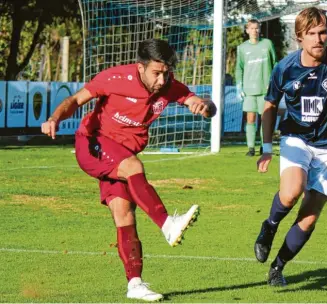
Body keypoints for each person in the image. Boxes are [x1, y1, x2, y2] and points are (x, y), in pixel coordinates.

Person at [41, 39, 216, 301]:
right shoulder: (114, 78)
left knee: (124, 213)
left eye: (166, 73)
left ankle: (135, 284)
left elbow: (204, 105)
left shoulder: (169, 87)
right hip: (92, 143)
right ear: (141, 67)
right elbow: (77, 99)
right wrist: (55, 118)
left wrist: (203, 106)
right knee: (133, 167)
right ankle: (168, 225)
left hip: (121, 154)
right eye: (156, 73)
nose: (161, 80)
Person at [253, 7, 327, 286]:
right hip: (297, 138)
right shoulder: (285, 68)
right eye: (312, 34)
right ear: (299, 38)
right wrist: (267, 147)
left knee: (308, 217)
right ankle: (269, 226)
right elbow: (269, 105)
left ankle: (278, 267)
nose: (319, 39)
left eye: (323, 32)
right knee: (291, 191)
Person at [236, 19, 277, 156]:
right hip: (249, 89)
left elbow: (275, 63)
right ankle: (251, 148)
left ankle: (263, 146)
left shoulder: (267, 44)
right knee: (250, 118)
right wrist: (239, 86)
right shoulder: (242, 48)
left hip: (265, 89)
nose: (255, 31)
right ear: (247, 30)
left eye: (257, 28)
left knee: (265, 118)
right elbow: (239, 68)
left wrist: (275, 82)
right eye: (252, 28)